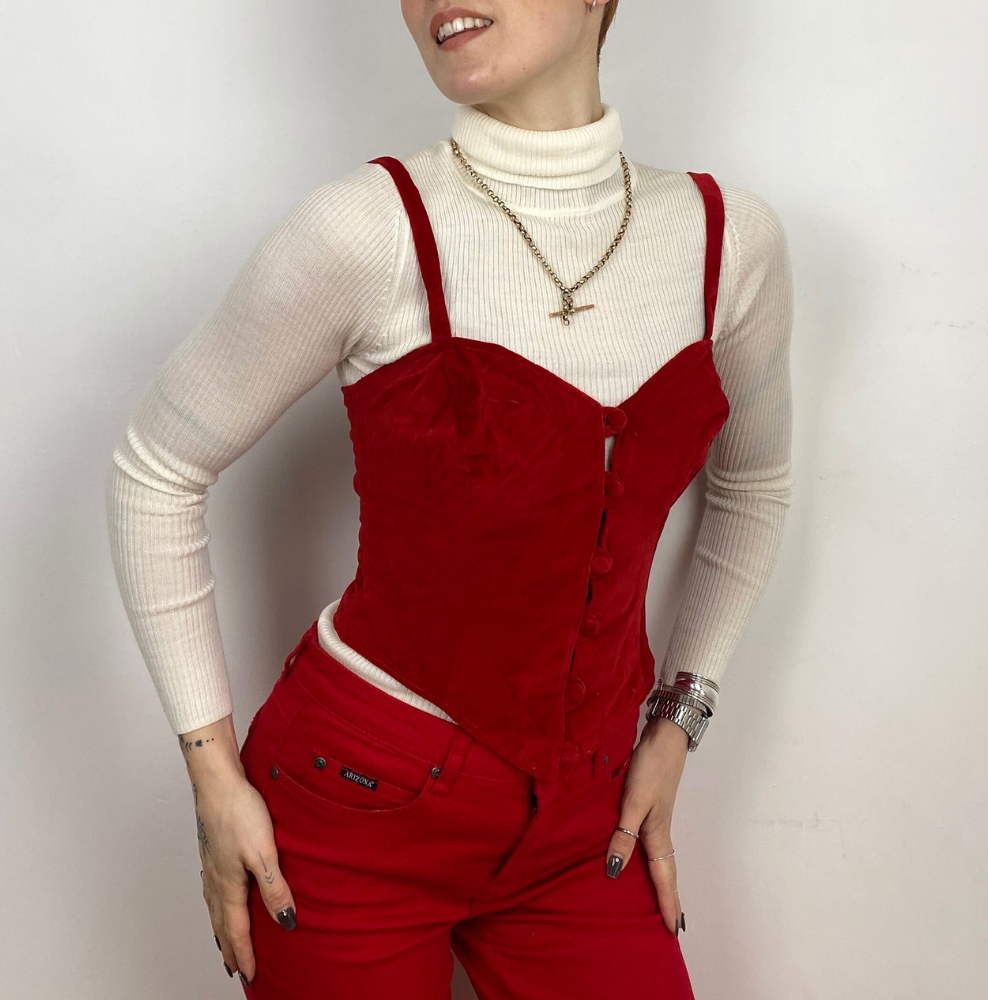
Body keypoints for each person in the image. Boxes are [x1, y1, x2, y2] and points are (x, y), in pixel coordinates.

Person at [106, 1, 793, 996]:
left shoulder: (731, 242)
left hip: (589, 820)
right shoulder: (368, 229)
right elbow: (157, 466)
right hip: (355, 803)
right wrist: (212, 778)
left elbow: (754, 482)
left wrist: (677, 721)